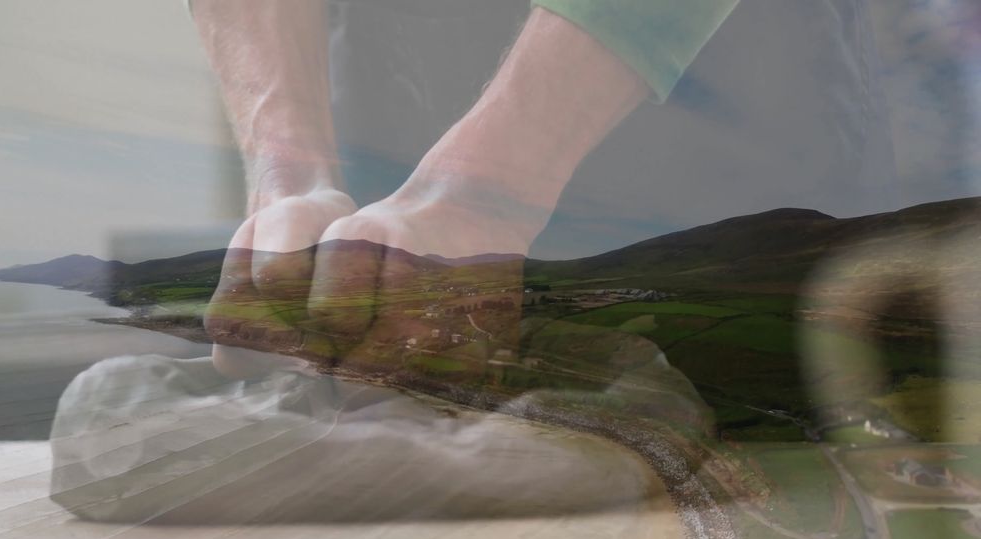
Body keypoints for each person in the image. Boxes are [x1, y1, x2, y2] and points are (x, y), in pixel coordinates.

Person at [189, 0, 894, 382]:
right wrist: (289, 175)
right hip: (393, 98)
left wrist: (485, 191)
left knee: (758, 379)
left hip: (719, 103)